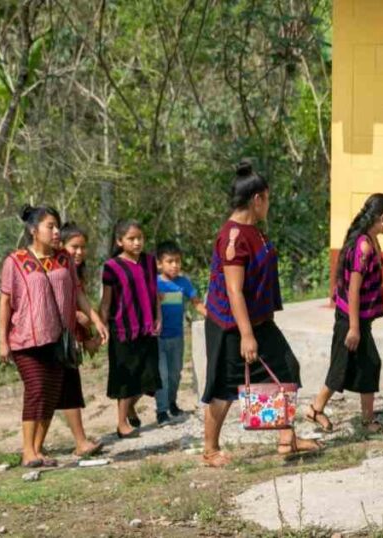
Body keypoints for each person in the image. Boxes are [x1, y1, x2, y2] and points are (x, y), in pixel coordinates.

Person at [201, 160, 320, 467]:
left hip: (260, 322)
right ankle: (210, 450)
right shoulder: (233, 238)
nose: (269, 205)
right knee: (224, 387)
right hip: (232, 326)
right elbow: (234, 290)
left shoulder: (254, 232)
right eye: (268, 199)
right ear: (257, 199)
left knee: (285, 368)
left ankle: (286, 439)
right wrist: (246, 335)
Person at [0, 205, 109, 468]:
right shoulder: (14, 262)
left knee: (49, 393)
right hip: (26, 338)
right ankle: (27, 451)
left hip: (59, 338)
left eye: (57, 226)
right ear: (34, 230)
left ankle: (36, 451)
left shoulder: (65, 259)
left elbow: (78, 293)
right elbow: (5, 302)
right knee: (36, 389)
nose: (56, 231)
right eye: (50, 226)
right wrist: (3, 340)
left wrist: (95, 320)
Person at [306, 193, 383, 435]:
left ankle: (366, 420)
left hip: (360, 319)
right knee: (340, 368)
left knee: (369, 365)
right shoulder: (364, 246)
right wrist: (354, 327)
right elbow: (354, 289)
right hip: (350, 319)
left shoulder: (370, 240)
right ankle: (316, 409)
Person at [100, 220, 162, 438]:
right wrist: (101, 326)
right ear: (120, 241)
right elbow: (106, 302)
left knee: (150, 378)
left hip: (147, 328)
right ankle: (121, 423)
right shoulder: (111, 267)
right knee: (126, 379)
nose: (137, 243)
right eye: (131, 239)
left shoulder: (149, 262)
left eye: (140, 238)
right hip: (123, 330)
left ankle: (130, 407)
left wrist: (158, 316)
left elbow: (154, 292)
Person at [55, 222, 106, 457]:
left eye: (83, 247)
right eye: (74, 246)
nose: (79, 252)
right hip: (54, 338)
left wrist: (89, 334)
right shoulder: (55, 268)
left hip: (70, 339)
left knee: (63, 390)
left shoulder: (76, 273)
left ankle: (35, 446)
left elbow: (80, 301)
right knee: (64, 390)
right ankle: (80, 441)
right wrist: (76, 316)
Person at [154, 240, 207, 425]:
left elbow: (196, 303)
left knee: (175, 373)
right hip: (158, 338)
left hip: (177, 337)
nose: (175, 265)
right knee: (162, 375)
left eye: (177, 261)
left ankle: (171, 403)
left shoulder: (183, 282)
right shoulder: (154, 283)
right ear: (159, 263)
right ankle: (161, 411)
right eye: (170, 261)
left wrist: (213, 316)